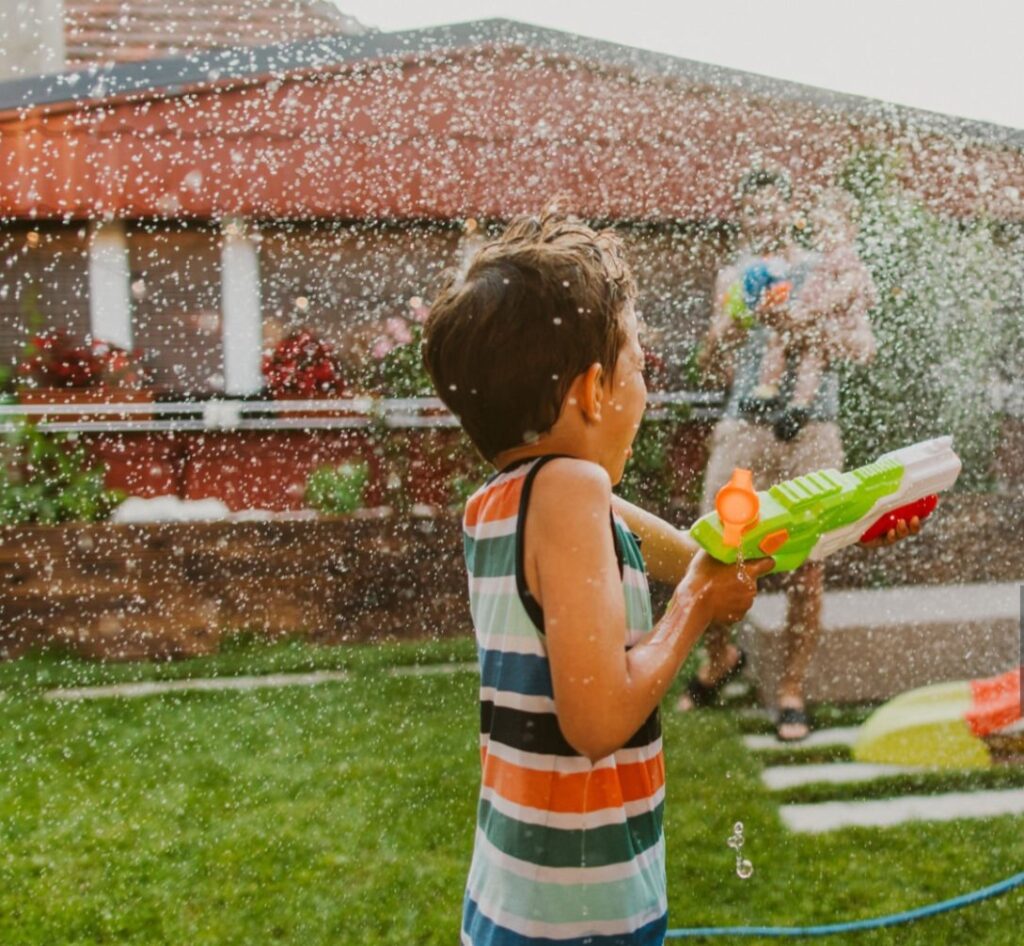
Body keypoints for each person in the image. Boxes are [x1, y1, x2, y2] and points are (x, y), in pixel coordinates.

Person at [422, 208, 774, 946]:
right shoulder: (569, 492)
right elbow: (598, 721)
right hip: (576, 917)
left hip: (522, 890)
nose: (645, 391)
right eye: (640, 368)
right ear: (590, 392)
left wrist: (727, 555)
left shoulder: (502, 502)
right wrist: (699, 606)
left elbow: (656, 541)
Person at [677, 170, 913, 741]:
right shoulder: (734, 275)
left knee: (808, 563)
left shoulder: (827, 266)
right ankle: (719, 657)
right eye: (752, 209)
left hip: (813, 429)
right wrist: (731, 328)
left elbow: (862, 349)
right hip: (745, 426)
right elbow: (711, 361)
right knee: (716, 546)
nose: (763, 217)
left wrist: (800, 324)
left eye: (772, 207)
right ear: (743, 217)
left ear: (790, 212)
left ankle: (790, 687)